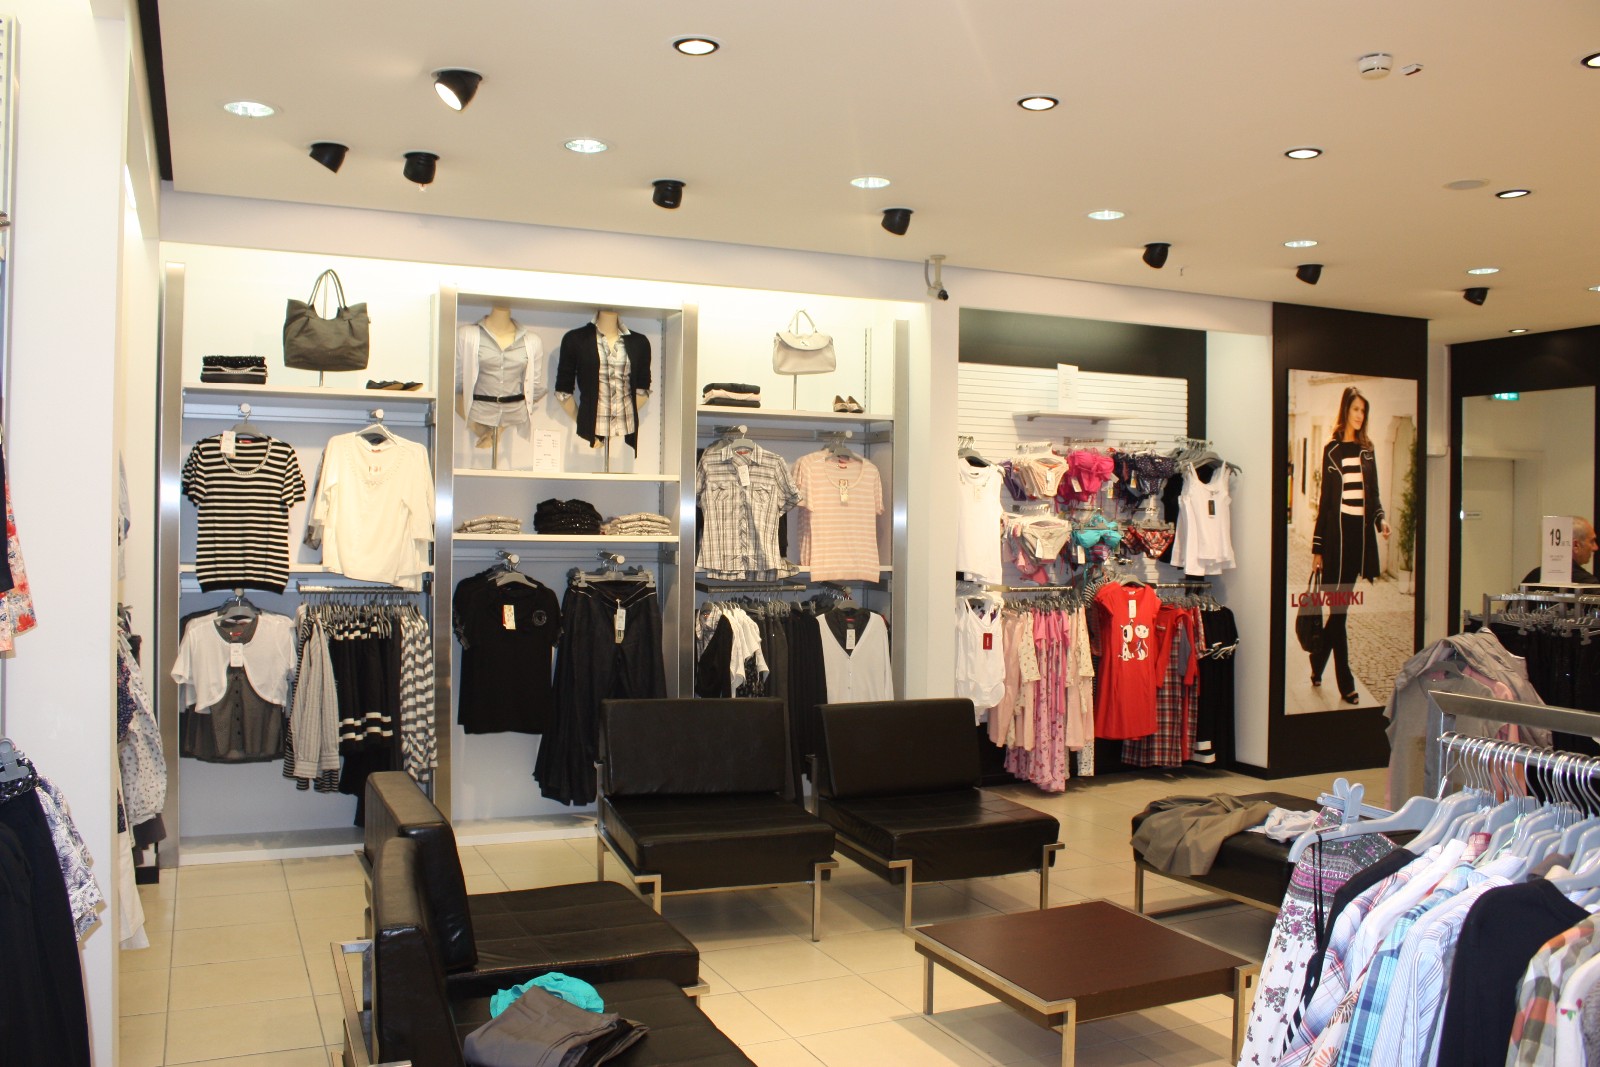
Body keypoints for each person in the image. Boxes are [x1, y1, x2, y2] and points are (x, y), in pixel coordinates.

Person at [1310, 386, 1390, 705]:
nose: (1360, 415)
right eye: (1355, 409)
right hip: (1335, 541)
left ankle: (1317, 661)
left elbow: (1374, 494)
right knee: (1339, 612)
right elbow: (1325, 503)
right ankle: (1346, 684)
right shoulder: (1331, 450)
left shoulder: (1367, 451)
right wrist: (1317, 549)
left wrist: (1381, 521)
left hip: (1359, 541)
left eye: (1363, 411)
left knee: (1339, 613)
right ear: (1345, 410)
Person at [1520, 516, 1599, 584]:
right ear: (1575, 545)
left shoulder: (1532, 577)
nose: (1595, 547)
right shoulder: (1587, 584)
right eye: (1592, 541)